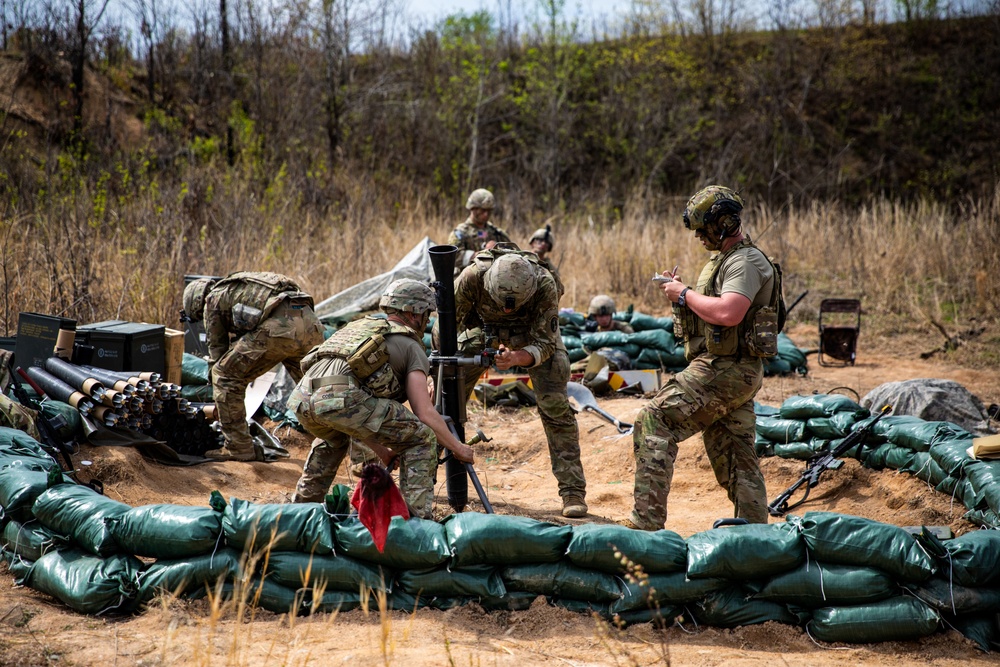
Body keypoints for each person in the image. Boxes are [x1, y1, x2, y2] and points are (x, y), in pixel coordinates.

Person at [626, 185, 780, 530]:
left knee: (655, 419)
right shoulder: (731, 260)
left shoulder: (745, 261)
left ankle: (645, 526)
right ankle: (756, 533)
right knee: (735, 453)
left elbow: (729, 313)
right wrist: (684, 296)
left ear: (723, 223)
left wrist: (684, 293)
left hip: (724, 369)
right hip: (730, 368)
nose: (698, 236)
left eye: (702, 228)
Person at [288, 279, 475, 518]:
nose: (428, 320)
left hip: (303, 399)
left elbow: (348, 417)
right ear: (413, 313)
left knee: (333, 440)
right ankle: (415, 521)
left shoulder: (357, 329)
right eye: (427, 313)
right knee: (421, 438)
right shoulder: (410, 345)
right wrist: (458, 448)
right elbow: (424, 412)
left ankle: (300, 512)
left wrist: (383, 452)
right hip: (343, 400)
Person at [448, 244, 587, 518]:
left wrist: (517, 358)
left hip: (532, 339)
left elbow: (546, 343)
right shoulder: (471, 278)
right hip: (481, 332)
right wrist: (437, 375)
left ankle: (572, 492)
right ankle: (424, 477)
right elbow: (447, 327)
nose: (509, 310)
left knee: (557, 408)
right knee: (443, 401)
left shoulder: (545, 284)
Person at [182, 272, 325, 462]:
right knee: (318, 389)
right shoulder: (239, 286)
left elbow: (217, 351)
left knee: (224, 375)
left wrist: (215, 387)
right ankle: (355, 449)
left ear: (196, 303)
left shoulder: (212, 300)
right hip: (310, 322)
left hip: (280, 327)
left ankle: (238, 446)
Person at [448, 188, 512, 273]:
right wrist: (481, 254)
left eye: (489, 211)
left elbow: (512, 254)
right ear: (473, 208)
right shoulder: (460, 233)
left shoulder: (498, 234)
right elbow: (452, 258)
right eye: (483, 210)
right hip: (468, 281)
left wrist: (499, 249)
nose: (486, 214)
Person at [528, 224, 564, 300]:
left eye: (546, 242)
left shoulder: (550, 267)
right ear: (532, 242)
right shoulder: (522, 259)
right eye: (540, 240)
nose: (543, 244)